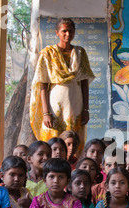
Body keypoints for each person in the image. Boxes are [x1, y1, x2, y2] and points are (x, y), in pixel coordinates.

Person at [29, 18, 95, 153]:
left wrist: (86, 109)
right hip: (54, 106)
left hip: (75, 104)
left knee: (74, 139)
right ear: (57, 33)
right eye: (64, 31)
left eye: (71, 31)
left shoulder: (80, 53)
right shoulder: (48, 53)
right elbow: (43, 85)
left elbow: (84, 84)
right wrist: (46, 113)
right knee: (53, 139)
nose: (67, 34)